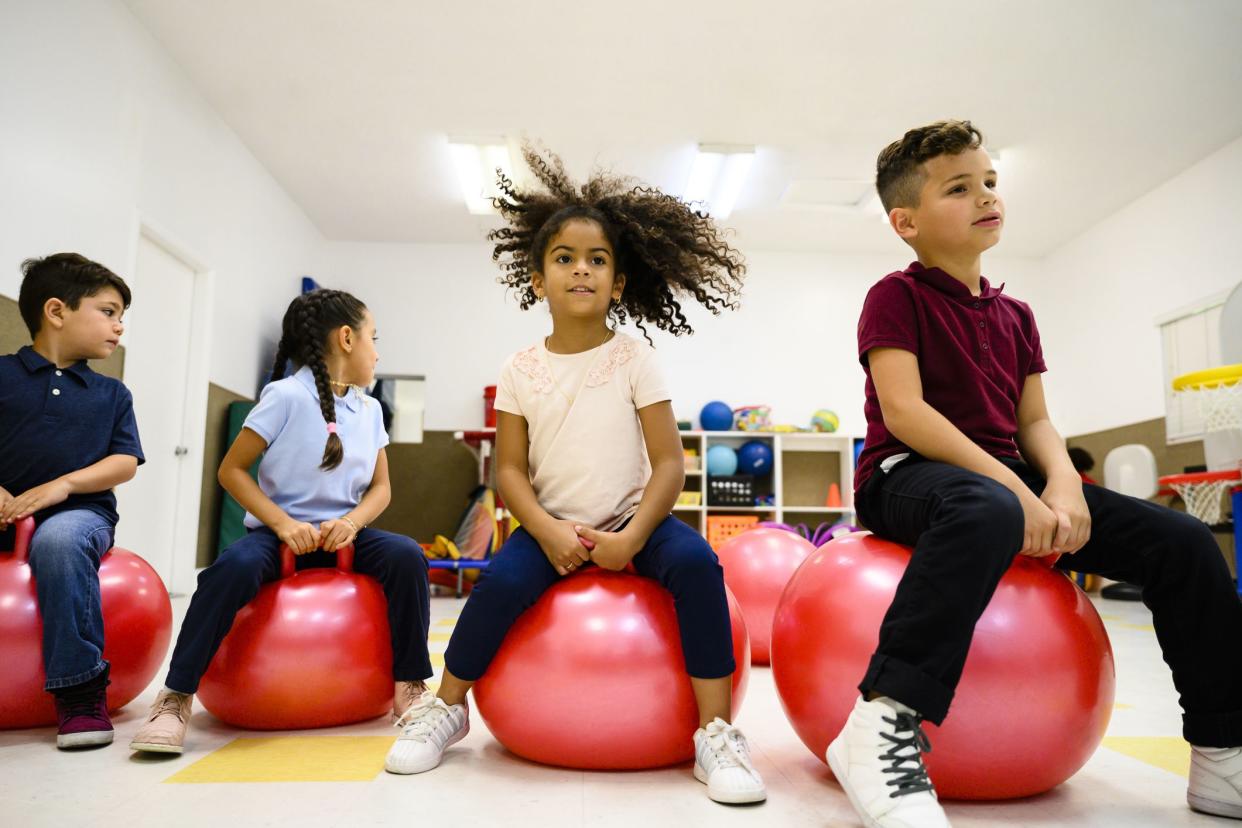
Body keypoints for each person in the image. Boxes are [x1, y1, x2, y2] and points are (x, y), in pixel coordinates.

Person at [835, 120, 1242, 826]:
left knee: (1182, 544)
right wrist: (1016, 490)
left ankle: (1222, 753)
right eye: (958, 188)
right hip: (906, 474)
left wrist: (1058, 483)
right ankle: (880, 727)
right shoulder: (894, 297)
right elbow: (904, 413)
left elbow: (1036, 424)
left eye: (989, 181)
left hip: (1006, 479)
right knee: (985, 507)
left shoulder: (1016, 314)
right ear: (906, 222)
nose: (985, 195)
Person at [383, 147, 766, 804]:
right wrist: (547, 530)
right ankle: (446, 708)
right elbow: (508, 468)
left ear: (618, 283)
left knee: (701, 569)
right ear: (539, 279)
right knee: (497, 586)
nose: (580, 269)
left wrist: (633, 537)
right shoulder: (519, 369)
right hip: (549, 527)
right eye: (564, 258)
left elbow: (670, 462)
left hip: (633, 522)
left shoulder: (635, 358)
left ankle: (716, 731)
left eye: (597, 260)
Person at [130, 289, 432, 754]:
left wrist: (352, 523)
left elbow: (381, 489)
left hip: (345, 536)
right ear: (347, 338)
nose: (379, 350)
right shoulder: (286, 396)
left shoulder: (370, 410)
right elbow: (231, 470)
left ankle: (410, 686)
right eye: (375, 337)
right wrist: (284, 525)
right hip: (277, 538)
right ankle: (175, 698)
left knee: (408, 555)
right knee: (228, 571)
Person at [0, 253, 144, 749]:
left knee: (59, 543)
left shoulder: (111, 394)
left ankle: (81, 693)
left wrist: (63, 486)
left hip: (76, 514)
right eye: (108, 311)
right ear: (57, 311)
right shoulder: (2, 375)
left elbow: (124, 461)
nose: (119, 326)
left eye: (122, 315)